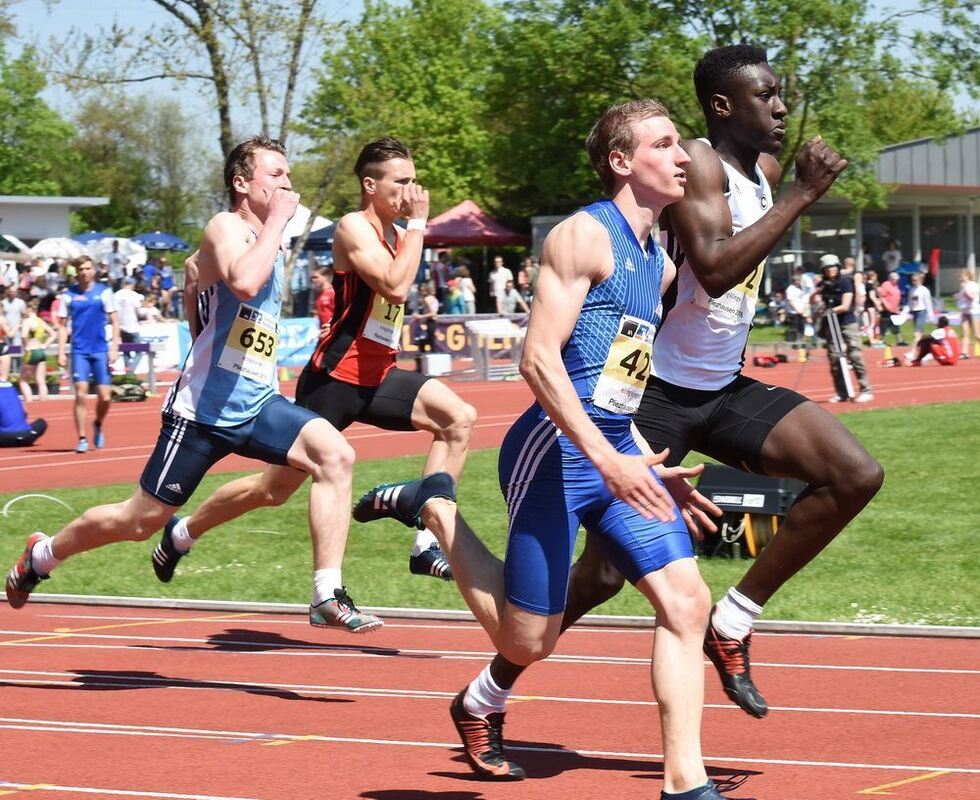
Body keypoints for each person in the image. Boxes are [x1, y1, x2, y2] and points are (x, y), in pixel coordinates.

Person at [404, 47, 883, 775]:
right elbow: (711, 276)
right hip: (641, 407)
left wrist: (647, 465)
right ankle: (484, 684)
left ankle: (704, 716)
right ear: (720, 109)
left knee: (843, 480)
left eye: (781, 94)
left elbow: (644, 322)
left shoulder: (668, 241)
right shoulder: (661, 192)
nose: (782, 107)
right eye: (767, 95)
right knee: (590, 584)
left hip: (705, 392)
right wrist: (615, 453)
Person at [355, 101, 736, 799]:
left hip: (617, 453)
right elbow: (539, 362)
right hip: (554, 456)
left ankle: (686, 784)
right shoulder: (582, 236)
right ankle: (435, 510)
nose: (684, 157)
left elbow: (617, 385)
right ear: (623, 162)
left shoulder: (656, 258)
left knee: (687, 603)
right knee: (530, 641)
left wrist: (645, 461)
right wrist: (608, 460)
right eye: (666, 143)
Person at [5, 136, 360, 630]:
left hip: (256, 403)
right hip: (199, 414)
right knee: (139, 521)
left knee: (336, 455)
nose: (288, 185)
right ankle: (43, 554)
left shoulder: (268, 241)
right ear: (241, 183)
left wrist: (200, 285)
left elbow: (202, 276)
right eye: (276, 175)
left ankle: (327, 592)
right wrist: (273, 223)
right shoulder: (226, 225)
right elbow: (243, 284)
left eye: (288, 175)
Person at [147, 137, 475, 632]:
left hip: (377, 374)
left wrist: (409, 230)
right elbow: (397, 285)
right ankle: (184, 531)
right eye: (401, 181)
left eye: (413, 180)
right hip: (335, 381)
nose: (412, 190)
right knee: (273, 490)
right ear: (371, 185)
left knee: (458, 420)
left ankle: (425, 542)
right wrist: (418, 224)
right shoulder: (354, 227)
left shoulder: (394, 233)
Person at [57, 256, 120, 452]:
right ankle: (82, 438)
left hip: (100, 349)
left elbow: (115, 321)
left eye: (87, 268)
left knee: (106, 397)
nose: (84, 272)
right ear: (76, 272)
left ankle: (98, 424)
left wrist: (114, 347)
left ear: (93, 270)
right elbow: (61, 325)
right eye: (81, 269)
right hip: (79, 351)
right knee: (81, 394)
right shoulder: (68, 295)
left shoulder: (104, 292)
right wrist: (61, 351)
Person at [814, 254, 873, 403]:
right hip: (830, 323)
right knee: (834, 358)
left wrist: (830, 311)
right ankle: (842, 392)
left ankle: (866, 389)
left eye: (832, 267)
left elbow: (846, 306)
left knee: (854, 355)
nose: (830, 270)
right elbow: (815, 300)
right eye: (826, 268)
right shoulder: (824, 284)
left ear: (838, 267)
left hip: (847, 322)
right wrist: (817, 294)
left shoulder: (845, 282)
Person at [18, 300, 55, 402]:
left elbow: (24, 335)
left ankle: (29, 402)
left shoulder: (27, 321)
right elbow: (53, 334)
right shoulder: (41, 321)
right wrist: (45, 345)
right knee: (41, 381)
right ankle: (43, 402)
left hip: (31, 351)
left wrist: (26, 346)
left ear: (29, 309)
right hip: (40, 351)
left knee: (23, 380)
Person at [114, 276, 144, 374]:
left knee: (126, 351)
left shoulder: (116, 295)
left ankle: (128, 371)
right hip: (132, 326)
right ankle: (131, 369)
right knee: (139, 351)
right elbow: (138, 311)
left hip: (121, 326)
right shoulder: (134, 295)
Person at [953, 269, 979, 359]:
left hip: (974, 311)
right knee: (965, 333)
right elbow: (960, 298)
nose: (961, 278)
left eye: (962, 276)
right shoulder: (963, 286)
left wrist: (966, 292)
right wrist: (957, 296)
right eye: (960, 277)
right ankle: (964, 353)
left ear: (968, 276)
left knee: (977, 334)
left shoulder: (973, 285)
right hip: (965, 312)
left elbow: (972, 297)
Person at [904, 271, 933, 350]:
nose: (914, 282)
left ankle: (912, 350)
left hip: (922, 312)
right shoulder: (911, 290)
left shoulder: (924, 290)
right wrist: (905, 312)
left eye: (915, 280)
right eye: (913, 280)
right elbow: (910, 302)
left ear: (920, 280)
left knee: (917, 333)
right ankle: (927, 347)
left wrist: (930, 315)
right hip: (915, 312)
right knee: (920, 333)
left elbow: (928, 303)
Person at [877, 271, 905, 346]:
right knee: (884, 325)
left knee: (895, 325)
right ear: (890, 278)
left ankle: (900, 340)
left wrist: (897, 307)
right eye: (894, 279)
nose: (896, 281)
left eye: (896, 279)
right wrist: (887, 306)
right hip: (887, 309)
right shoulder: (886, 285)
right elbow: (882, 297)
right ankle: (881, 340)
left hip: (894, 309)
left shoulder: (896, 286)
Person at [311, 265, 335, 337]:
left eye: (315, 277)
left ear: (325, 276)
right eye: (312, 278)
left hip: (331, 331)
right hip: (322, 331)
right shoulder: (319, 293)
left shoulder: (332, 292)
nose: (313, 280)